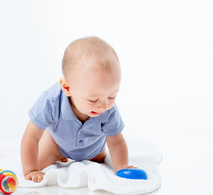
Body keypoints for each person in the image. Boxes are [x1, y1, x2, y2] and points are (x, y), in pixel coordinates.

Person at [21, 36, 135, 183]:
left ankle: (94, 155)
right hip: (57, 145)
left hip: (94, 149)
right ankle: (56, 153)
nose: (104, 106)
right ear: (67, 87)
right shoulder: (51, 101)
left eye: (112, 96)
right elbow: (31, 136)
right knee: (40, 161)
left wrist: (122, 167)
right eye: (93, 100)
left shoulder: (108, 108)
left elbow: (116, 142)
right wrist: (31, 170)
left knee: (99, 162)